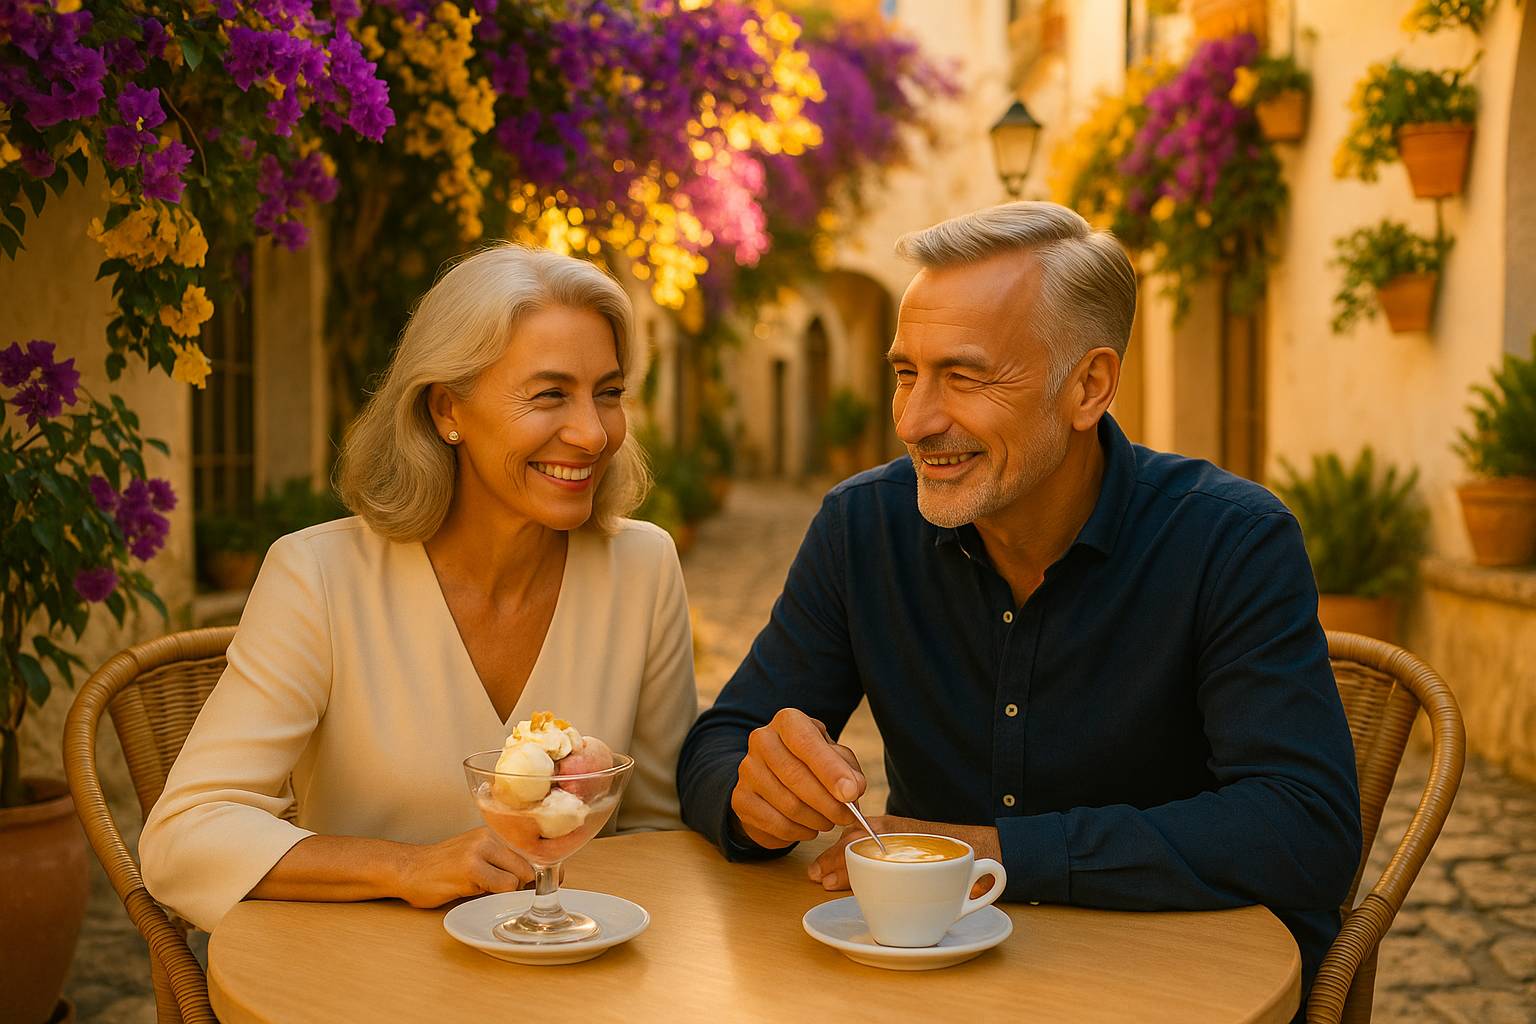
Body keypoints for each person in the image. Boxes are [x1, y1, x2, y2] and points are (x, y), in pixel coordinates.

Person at [677, 202, 1361, 1001]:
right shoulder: (862, 527)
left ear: (1089, 387)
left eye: (963, 376)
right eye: (906, 372)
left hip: (1177, 983)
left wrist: (998, 851)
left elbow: (1304, 827)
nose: (915, 420)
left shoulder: (1231, 542)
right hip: (935, 986)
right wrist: (753, 797)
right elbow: (719, 744)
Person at [141, 244, 698, 933]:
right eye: (550, 394)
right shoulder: (318, 577)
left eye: (607, 394)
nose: (592, 432)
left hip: (566, 984)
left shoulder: (643, 569)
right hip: (362, 987)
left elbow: (658, 832)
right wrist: (403, 868)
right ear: (445, 411)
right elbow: (182, 839)